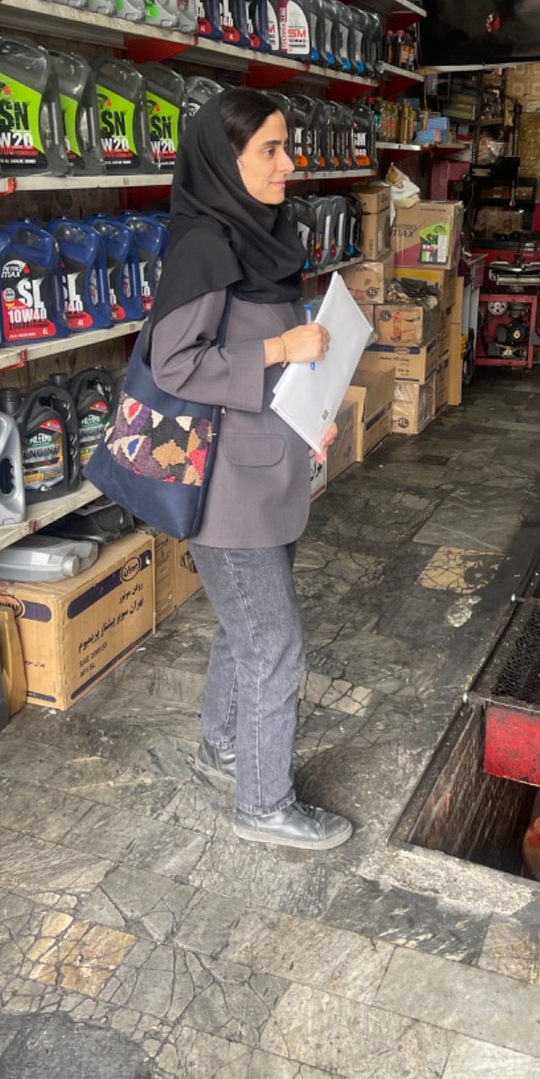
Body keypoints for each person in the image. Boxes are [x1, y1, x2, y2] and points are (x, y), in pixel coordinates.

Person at [149, 89, 352, 851]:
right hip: (226, 489)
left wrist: (312, 408)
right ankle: (264, 803)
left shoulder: (262, 234)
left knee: (247, 628)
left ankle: (224, 747)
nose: (288, 163)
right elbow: (174, 364)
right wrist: (280, 349)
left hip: (268, 468)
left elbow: (280, 361)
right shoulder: (204, 246)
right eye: (270, 149)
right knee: (275, 642)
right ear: (224, 159)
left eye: (286, 146)